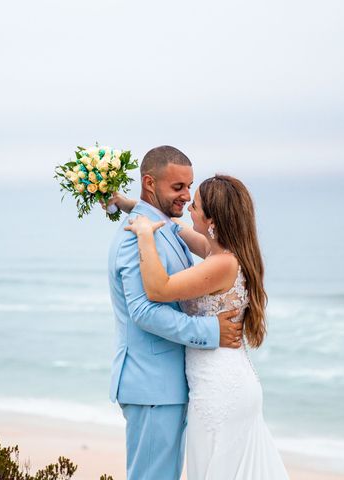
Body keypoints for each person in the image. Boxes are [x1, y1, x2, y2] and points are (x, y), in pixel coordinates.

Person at [121, 174, 289, 479]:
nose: (188, 209)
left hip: (219, 388)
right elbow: (175, 226)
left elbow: (159, 289)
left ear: (212, 220)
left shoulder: (222, 263)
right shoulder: (218, 251)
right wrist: (129, 204)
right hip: (222, 380)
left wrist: (144, 235)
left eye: (195, 205)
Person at [106, 146, 243, 480]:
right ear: (150, 183)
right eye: (178, 187)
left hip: (172, 387)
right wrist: (212, 332)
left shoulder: (164, 227)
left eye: (189, 186)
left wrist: (126, 202)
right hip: (152, 386)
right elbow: (143, 310)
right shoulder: (134, 238)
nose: (187, 196)